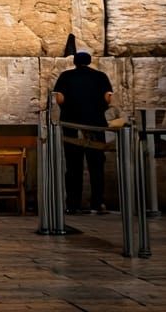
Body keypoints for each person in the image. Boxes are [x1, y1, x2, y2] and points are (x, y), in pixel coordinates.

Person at [53, 51, 114, 214]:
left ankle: (73, 204)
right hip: (95, 124)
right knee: (96, 165)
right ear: (89, 61)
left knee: (73, 165)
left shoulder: (65, 76)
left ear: (74, 62)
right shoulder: (101, 76)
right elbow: (108, 97)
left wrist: (68, 109)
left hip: (71, 124)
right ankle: (98, 202)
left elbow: (59, 98)